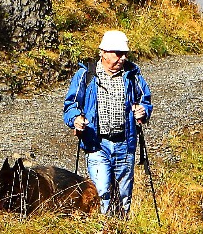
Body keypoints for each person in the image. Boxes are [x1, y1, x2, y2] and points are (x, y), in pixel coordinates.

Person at [63, 30, 153, 216]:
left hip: (125, 145)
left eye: (125, 54)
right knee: (101, 192)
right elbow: (70, 105)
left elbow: (146, 100)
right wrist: (75, 119)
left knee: (124, 196)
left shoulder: (133, 76)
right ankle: (103, 233)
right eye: (117, 53)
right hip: (96, 144)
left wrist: (143, 111)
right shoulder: (85, 75)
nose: (122, 58)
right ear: (103, 52)